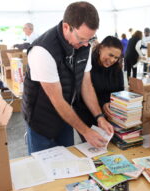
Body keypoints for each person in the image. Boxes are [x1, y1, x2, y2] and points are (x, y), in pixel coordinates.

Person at [22, 1, 113, 153]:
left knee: (69, 160)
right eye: (81, 39)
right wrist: (85, 131)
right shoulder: (42, 50)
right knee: (43, 168)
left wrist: (99, 117)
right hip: (41, 119)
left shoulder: (84, 45)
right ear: (66, 27)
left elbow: (86, 84)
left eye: (90, 39)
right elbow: (56, 99)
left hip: (65, 115)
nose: (86, 45)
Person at [74, 36, 124, 142]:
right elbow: (83, 94)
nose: (112, 60)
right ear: (101, 48)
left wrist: (111, 103)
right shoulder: (88, 64)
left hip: (109, 115)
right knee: (93, 146)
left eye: (116, 58)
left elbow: (120, 92)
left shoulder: (117, 69)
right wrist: (103, 104)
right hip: (86, 114)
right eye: (110, 55)